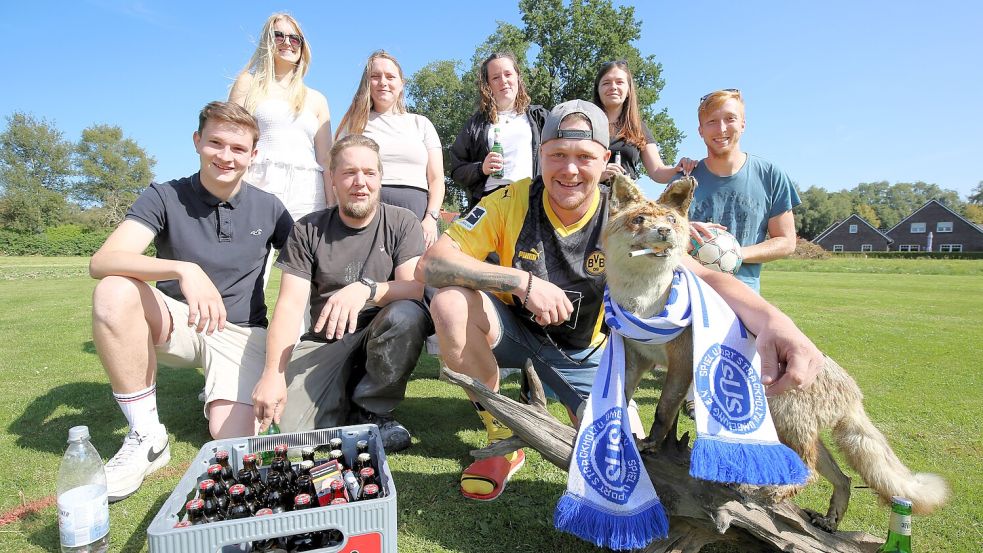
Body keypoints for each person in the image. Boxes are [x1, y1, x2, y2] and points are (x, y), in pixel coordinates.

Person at [417, 99, 825, 501]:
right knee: (450, 301)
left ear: (605, 158)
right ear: (540, 155)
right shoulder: (511, 199)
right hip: (514, 332)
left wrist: (775, 322)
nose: (570, 169)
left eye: (584, 156)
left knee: (624, 461)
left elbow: (701, 274)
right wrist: (523, 282)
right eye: (557, 154)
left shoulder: (625, 216)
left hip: (589, 354)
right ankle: (502, 435)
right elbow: (432, 264)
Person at [89, 102, 293, 501]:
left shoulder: (270, 207)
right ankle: (147, 436)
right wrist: (184, 269)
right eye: (215, 143)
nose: (226, 156)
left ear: (254, 156)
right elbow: (103, 261)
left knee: (230, 435)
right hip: (178, 321)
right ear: (197, 142)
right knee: (113, 289)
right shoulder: (164, 195)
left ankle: (217, 390)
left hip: (242, 331)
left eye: (238, 148)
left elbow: (305, 269)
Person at [251, 135, 432, 452]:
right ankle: (344, 397)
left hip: (381, 330)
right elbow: (290, 306)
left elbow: (415, 290)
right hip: (326, 340)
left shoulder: (402, 222)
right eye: (348, 172)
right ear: (332, 178)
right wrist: (272, 374)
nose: (359, 182)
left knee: (407, 314)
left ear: (380, 177)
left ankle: (374, 411)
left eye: (369, 172)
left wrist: (366, 289)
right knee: (293, 443)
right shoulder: (308, 229)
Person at [688, 89, 801, 293]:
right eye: (711, 121)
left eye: (730, 118)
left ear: (743, 124)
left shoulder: (770, 175)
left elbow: (786, 241)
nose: (721, 128)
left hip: (745, 298)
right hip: (689, 296)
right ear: (700, 130)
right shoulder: (684, 180)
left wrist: (733, 252)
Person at [336, 50, 444, 248]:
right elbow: (335, 171)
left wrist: (431, 219)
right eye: (375, 77)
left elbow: (436, 179)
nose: (383, 82)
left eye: (390, 76)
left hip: (417, 214)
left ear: (401, 83)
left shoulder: (422, 124)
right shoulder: (353, 124)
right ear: (367, 83)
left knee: (416, 277)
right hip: (368, 212)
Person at [229, 13, 332, 220]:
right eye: (278, 36)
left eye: (295, 39)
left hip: (308, 190)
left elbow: (326, 159)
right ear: (267, 41)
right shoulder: (247, 84)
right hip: (259, 181)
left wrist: (331, 204)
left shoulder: (317, 99)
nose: (287, 43)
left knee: (305, 250)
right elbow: (231, 141)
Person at [450, 52, 549, 211]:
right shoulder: (475, 125)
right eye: (495, 77)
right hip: (491, 201)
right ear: (488, 85)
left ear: (518, 77)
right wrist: (481, 168)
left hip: (531, 199)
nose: (503, 81)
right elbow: (456, 169)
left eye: (508, 74)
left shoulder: (541, 118)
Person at [592, 60, 696, 183]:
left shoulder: (637, 127)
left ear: (628, 91)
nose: (613, 87)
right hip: (590, 198)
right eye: (606, 83)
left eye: (619, 82)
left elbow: (657, 171)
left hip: (626, 200)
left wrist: (680, 168)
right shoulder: (585, 124)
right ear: (598, 90)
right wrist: (599, 175)